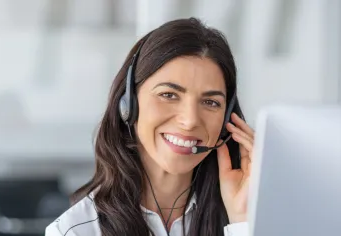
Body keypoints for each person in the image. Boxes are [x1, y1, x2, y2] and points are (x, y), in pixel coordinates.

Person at [46, 17, 254, 236]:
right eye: (168, 95)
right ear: (129, 104)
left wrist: (243, 220)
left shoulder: (245, 218)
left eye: (210, 102)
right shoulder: (76, 230)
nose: (190, 120)